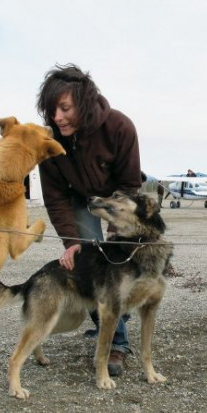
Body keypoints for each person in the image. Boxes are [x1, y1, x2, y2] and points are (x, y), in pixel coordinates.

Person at [37, 63, 142, 377]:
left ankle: (113, 323)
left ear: (83, 103)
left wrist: (117, 234)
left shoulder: (120, 127)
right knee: (91, 265)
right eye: (51, 110)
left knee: (120, 269)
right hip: (79, 200)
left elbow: (129, 186)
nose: (57, 117)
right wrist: (71, 242)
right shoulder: (49, 141)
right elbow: (55, 198)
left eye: (65, 108)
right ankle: (116, 343)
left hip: (116, 200)